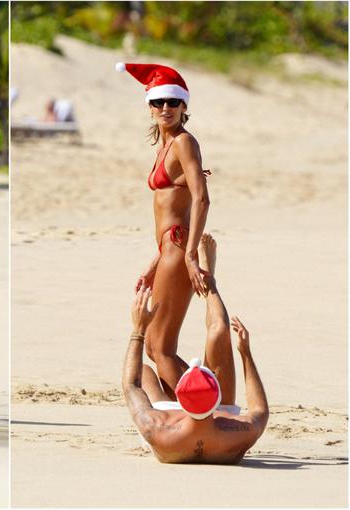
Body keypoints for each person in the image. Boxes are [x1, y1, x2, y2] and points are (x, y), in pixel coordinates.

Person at [122, 234, 269, 464]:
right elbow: (259, 411)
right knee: (219, 330)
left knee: (148, 365)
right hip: (218, 430)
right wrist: (246, 355)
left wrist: (138, 330)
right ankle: (209, 281)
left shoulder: (157, 427)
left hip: (173, 429)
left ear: (180, 395)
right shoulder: (236, 433)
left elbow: (131, 384)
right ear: (216, 396)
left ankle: (206, 279)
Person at [120, 63, 212, 398]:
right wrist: (153, 263)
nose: (165, 108)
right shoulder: (165, 146)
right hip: (168, 250)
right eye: (158, 102)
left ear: (185, 106)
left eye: (173, 102)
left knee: (160, 348)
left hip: (178, 249)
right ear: (149, 107)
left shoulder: (185, 143)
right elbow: (171, 212)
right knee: (156, 348)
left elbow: (201, 200)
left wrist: (189, 255)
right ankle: (194, 406)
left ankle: (204, 409)